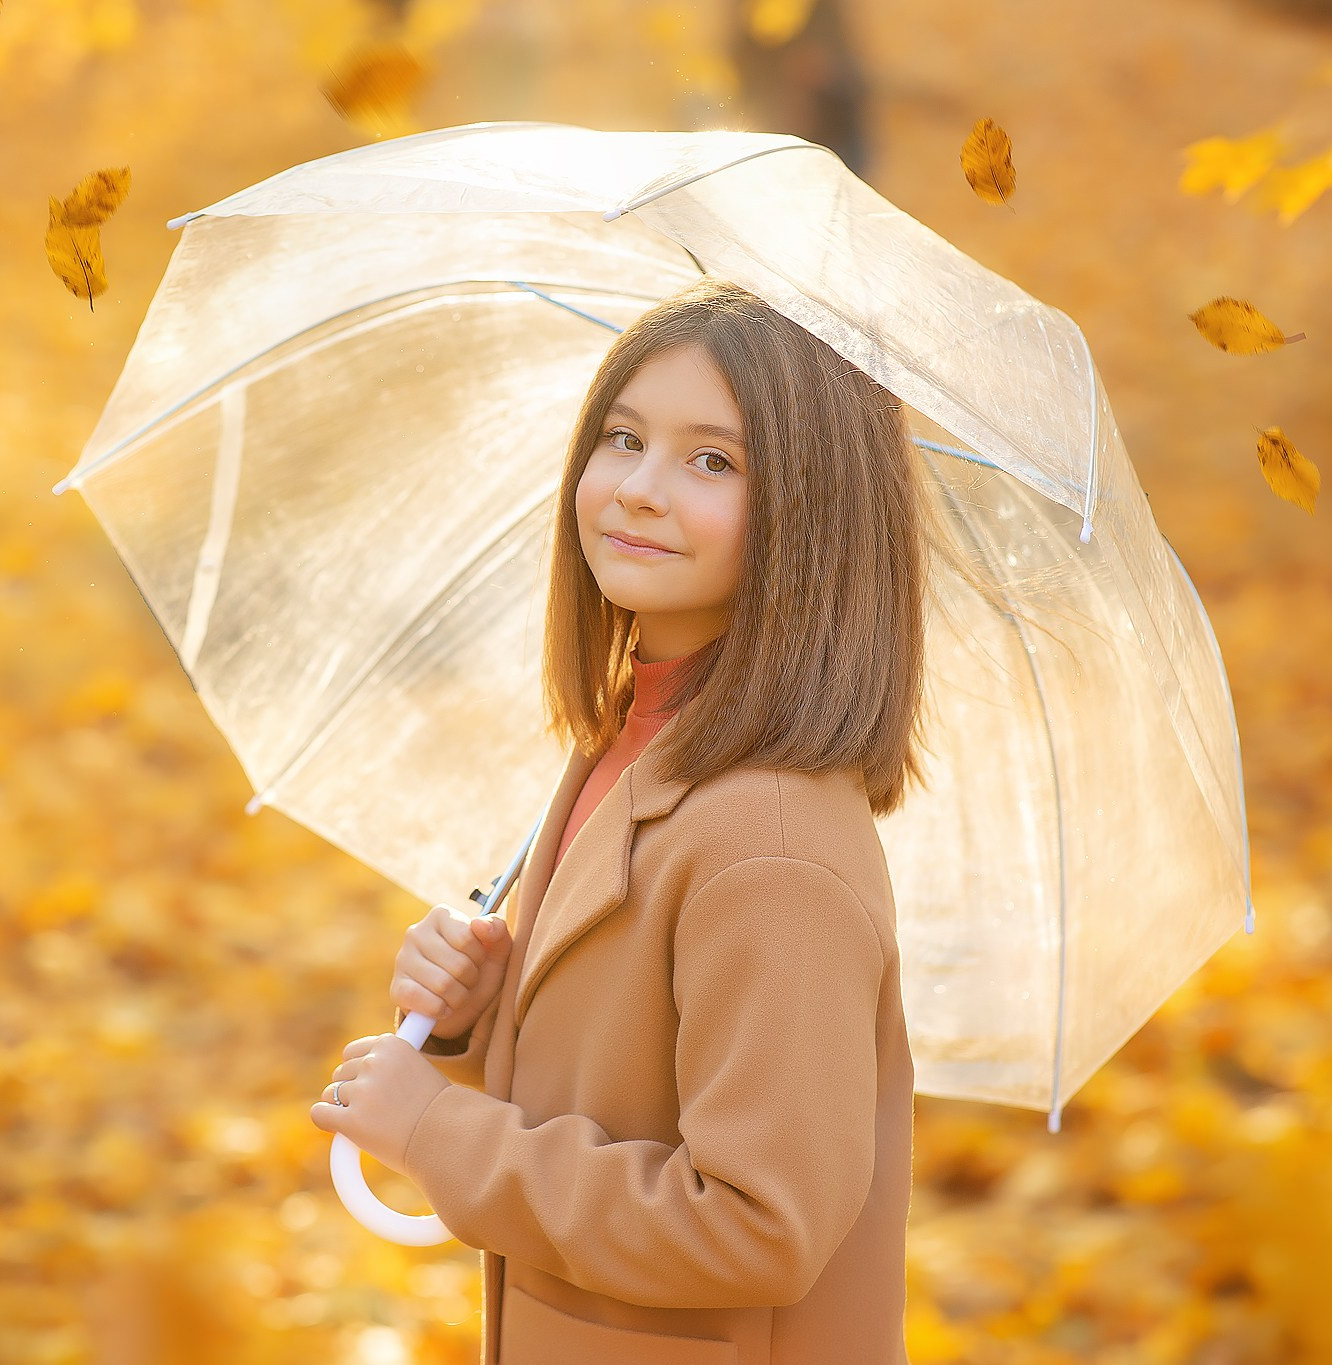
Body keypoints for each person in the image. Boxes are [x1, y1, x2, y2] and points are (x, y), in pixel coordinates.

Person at [309, 277, 941, 1364]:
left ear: (814, 516)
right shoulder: (631, 731)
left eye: (712, 461)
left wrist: (435, 1130)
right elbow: (636, 1081)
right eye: (622, 438)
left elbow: (756, 1226)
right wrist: (483, 1013)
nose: (640, 489)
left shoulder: (772, 850)